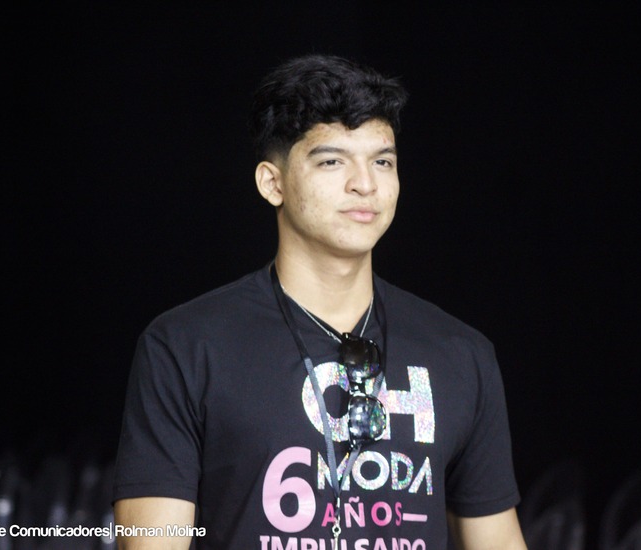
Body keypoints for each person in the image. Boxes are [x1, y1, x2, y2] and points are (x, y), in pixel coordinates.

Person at [112, 54, 527, 550]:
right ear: (273, 183)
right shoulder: (186, 346)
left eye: (382, 161)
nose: (365, 184)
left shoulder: (461, 353)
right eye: (332, 161)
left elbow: (498, 541)